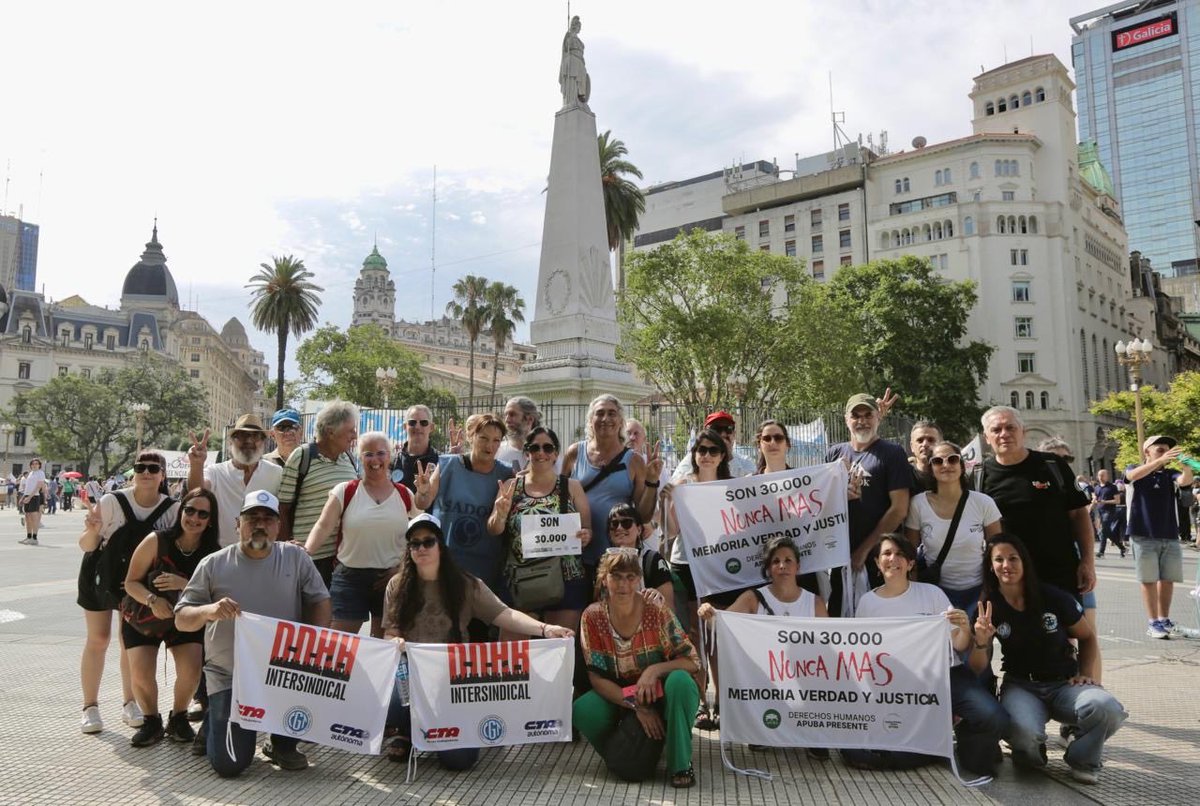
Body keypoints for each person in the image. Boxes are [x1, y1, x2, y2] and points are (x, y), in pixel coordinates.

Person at [381, 514, 574, 767]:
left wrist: (545, 629)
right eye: (414, 544)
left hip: (453, 680)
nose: (421, 549)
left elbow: (503, 614)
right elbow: (390, 632)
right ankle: (407, 731)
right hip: (412, 675)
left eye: (428, 542)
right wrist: (394, 642)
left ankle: (439, 730)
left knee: (459, 762)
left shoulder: (465, 584)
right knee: (391, 703)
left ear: (440, 545)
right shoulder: (397, 585)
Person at [175, 490, 331, 777]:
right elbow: (182, 619)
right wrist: (209, 610)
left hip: (283, 673)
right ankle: (215, 720)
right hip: (228, 674)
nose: (260, 524)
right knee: (229, 765)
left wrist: (317, 643)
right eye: (252, 518)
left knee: (304, 703)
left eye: (267, 519)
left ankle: (281, 744)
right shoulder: (213, 564)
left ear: (278, 526)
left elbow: (320, 600)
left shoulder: (296, 558)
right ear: (238, 524)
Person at [970, 533, 1126, 784]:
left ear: (1025, 562)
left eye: (1013, 558)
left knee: (1107, 709)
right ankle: (1030, 752)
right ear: (991, 565)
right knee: (1024, 737)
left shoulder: (1052, 596)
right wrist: (980, 639)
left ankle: (1083, 757)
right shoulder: (989, 606)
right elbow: (978, 666)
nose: (1006, 565)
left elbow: (1087, 636)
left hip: (1064, 684)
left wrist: (1085, 673)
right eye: (999, 559)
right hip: (1021, 686)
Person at [844, 535, 1006, 775]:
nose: (893, 559)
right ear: (877, 563)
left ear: (910, 564)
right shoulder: (867, 602)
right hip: (895, 685)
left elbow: (960, 646)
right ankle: (927, 746)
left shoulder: (931, 594)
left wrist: (964, 628)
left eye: (900, 554)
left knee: (993, 717)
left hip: (944, 676)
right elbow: (863, 654)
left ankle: (965, 745)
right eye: (887, 554)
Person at [575, 547, 700, 788]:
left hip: (662, 690)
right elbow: (596, 677)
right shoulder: (592, 617)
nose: (623, 584)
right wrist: (637, 707)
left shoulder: (656, 610)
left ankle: (680, 763)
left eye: (630, 577)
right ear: (604, 578)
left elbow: (691, 661)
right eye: (616, 576)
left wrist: (653, 672)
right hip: (625, 696)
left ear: (638, 579)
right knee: (584, 709)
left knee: (681, 682)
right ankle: (627, 753)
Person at [77, 451, 179, 735]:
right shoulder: (112, 501)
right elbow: (87, 545)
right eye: (140, 467)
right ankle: (90, 706)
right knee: (98, 638)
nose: (146, 472)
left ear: (162, 475)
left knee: (128, 641)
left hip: (138, 580)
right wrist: (92, 529)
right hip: (101, 573)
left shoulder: (172, 508)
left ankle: (129, 702)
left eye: (153, 468)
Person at [121, 488, 221, 747]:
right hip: (144, 616)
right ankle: (151, 721)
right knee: (141, 674)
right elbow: (131, 583)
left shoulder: (212, 553)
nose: (194, 518)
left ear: (210, 520)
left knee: (191, 670)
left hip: (184, 619)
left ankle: (178, 716)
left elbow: (214, 596)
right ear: (180, 512)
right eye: (189, 510)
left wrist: (183, 583)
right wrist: (153, 600)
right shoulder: (156, 540)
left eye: (203, 514)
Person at [304, 431, 417, 638]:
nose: (375, 460)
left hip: (392, 580)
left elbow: (421, 536)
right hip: (350, 579)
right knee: (337, 647)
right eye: (368, 454)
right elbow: (323, 526)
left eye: (380, 453)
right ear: (359, 457)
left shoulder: (405, 495)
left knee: (382, 649)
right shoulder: (344, 490)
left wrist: (402, 569)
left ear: (390, 456)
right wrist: (304, 553)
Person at [977, 406, 1093, 602]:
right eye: (996, 430)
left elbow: (1079, 515)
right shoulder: (978, 476)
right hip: (1008, 577)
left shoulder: (1053, 465)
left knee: (1066, 632)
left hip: (1058, 573)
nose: (1004, 434)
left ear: (1024, 432)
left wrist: (1087, 561)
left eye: (1010, 428)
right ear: (987, 437)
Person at [488, 426, 592, 633]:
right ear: (527, 452)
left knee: (559, 652)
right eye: (534, 448)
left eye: (547, 448)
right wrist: (500, 513)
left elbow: (587, 529)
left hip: (565, 579)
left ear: (556, 454)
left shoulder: (572, 487)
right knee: (516, 657)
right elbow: (493, 529)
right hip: (521, 580)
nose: (541, 453)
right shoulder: (511, 486)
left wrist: (585, 536)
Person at [663, 428, 733, 731]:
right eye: (700, 450)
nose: (705, 455)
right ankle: (700, 704)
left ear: (722, 456)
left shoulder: (733, 488)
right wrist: (669, 501)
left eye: (712, 451)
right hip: (685, 565)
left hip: (720, 568)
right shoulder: (682, 486)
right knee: (693, 635)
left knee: (716, 636)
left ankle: (724, 704)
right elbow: (672, 531)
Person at [824, 394, 912, 615]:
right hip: (840, 559)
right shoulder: (835, 454)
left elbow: (899, 509)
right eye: (856, 416)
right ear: (846, 420)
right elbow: (821, 504)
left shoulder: (892, 454)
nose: (862, 421)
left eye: (867, 415)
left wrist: (864, 551)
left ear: (877, 418)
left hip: (878, 559)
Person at [414, 412, 515, 603]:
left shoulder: (506, 473)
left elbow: (496, 526)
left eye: (496, 440)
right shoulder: (448, 465)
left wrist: (501, 514)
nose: (490, 445)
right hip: (444, 565)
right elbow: (423, 503)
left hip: (484, 571)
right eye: (483, 438)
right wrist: (422, 491)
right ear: (471, 436)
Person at [564, 395, 660, 576]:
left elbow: (643, 515)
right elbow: (558, 497)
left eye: (612, 413)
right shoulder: (574, 453)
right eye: (599, 413)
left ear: (620, 421)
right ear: (591, 420)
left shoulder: (634, 461)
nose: (605, 419)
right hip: (576, 557)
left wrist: (652, 481)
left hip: (617, 560)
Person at [904, 441, 1002, 612]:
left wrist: (986, 592)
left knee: (979, 638)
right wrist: (916, 592)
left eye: (952, 459)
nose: (946, 465)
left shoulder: (983, 503)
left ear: (962, 466)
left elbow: (997, 551)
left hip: (979, 592)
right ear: (931, 468)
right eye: (938, 461)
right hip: (936, 594)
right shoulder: (918, 504)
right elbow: (910, 554)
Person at [276, 401, 360, 588]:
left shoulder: (350, 459)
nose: (354, 435)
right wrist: (286, 549)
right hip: (309, 557)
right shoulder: (302, 456)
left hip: (344, 557)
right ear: (331, 432)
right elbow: (283, 507)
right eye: (350, 430)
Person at [1124, 435, 1194, 639]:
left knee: (1168, 579)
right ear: (1147, 452)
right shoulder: (1134, 469)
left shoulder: (1169, 473)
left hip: (1169, 533)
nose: (1165, 454)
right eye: (1160, 450)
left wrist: (1186, 467)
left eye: (1167, 450)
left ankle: (1164, 619)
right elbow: (1131, 477)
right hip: (1142, 533)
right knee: (1148, 580)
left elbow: (1183, 482)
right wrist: (1158, 462)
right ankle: (1153, 622)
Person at [187, 414, 283, 547]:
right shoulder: (215, 472)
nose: (249, 440)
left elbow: (284, 512)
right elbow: (197, 492)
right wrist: (196, 464)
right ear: (231, 441)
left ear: (263, 442)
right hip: (220, 554)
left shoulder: (276, 473)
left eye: (255, 436)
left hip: (263, 554)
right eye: (242, 435)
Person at [607, 502, 674, 609]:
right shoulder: (602, 562)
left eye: (626, 523)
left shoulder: (653, 561)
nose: (619, 528)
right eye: (614, 524)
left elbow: (669, 610)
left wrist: (658, 599)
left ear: (639, 529)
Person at [670, 411, 757, 481]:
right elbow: (675, 485)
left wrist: (729, 455)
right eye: (717, 429)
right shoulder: (694, 459)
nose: (723, 434)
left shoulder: (746, 463)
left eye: (728, 429)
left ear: (734, 434)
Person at [390, 404, 440, 490]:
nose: (417, 427)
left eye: (423, 423)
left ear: (431, 427)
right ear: (405, 427)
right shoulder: (393, 462)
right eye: (412, 422)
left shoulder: (440, 461)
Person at [496, 396, 541, 472]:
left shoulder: (546, 452)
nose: (507, 420)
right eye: (505, 415)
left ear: (529, 419)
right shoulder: (497, 450)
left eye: (512, 414)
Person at [1092, 469, 1126, 558]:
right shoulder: (1097, 487)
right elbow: (1095, 499)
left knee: (1104, 530)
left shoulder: (1112, 487)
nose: (1101, 477)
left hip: (1109, 511)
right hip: (1100, 512)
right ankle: (1122, 547)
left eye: (1103, 475)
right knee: (1106, 531)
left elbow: (1117, 501)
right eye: (1099, 475)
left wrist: (1105, 501)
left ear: (1107, 476)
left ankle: (1101, 552)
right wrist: (1090, 508)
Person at [559, 15, 590, 107]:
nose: (579, 28)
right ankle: (572, 100)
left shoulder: (579, 40)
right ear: (574, 25)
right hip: (572, 59)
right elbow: (565, 48)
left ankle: (580, 98)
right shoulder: (569, 35)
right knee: (573, 80)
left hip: (580, 61)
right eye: (577, 26)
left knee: (581, 82)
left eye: (580, 27)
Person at [18, 457, 48, 544]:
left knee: (34, 518)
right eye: (33, 464)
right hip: (27, 496)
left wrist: (29, 497)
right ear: (30, 465)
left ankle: (34, 538)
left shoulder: (40, 473)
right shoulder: (31, 473)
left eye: (36, 464)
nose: (34, 465)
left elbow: (38, 486)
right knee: (27, 517)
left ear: (39, 465)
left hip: (34, 497)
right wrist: (23, 497)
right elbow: (27, 487)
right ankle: (28, 537)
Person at [908, 420, 943, 491]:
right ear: (912, 447)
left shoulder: (951, 474)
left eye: (931, 440)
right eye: (920, 440)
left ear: (941, 444)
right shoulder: (902, 475)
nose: (925, 444)